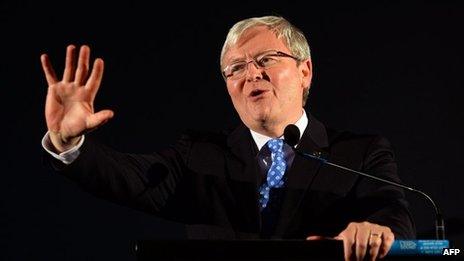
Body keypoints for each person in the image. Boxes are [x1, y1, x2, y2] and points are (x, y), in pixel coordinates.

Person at [41, 16, 415, 260]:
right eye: (235, 68)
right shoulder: (198, 155)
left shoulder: (360, 152)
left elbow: (394, 216)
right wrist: (68, 143)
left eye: (266, 59)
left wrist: (378, 231)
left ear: (305, 71)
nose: (251, 74)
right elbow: (131, 178)